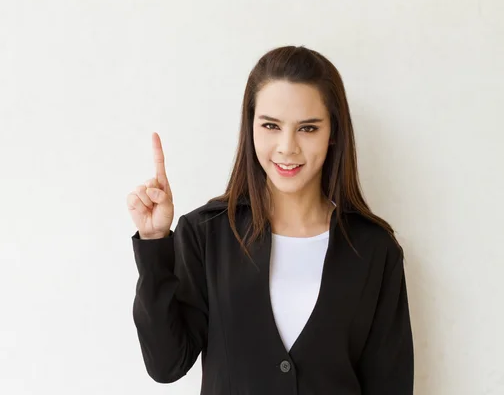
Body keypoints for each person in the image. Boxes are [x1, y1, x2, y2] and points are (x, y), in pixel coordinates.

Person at [126, 45, 414, 394]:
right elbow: (166, 364)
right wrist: (155, 242)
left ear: (333, 133)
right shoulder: (206, 234)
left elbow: (390, 384)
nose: (287, 147)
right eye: (271, 126)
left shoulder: (374, 250)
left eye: (307, 128)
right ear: (251, 128)